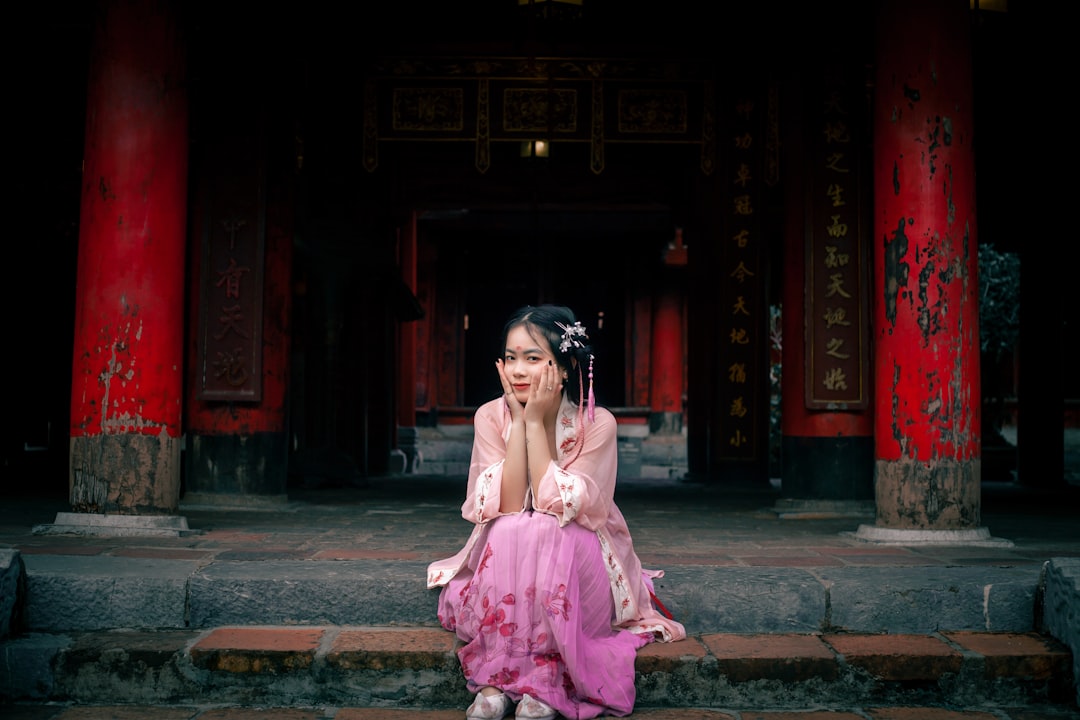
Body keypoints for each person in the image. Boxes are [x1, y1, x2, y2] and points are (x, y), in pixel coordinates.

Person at [427, 304, 686, 720]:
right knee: (513, 527)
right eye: (511, 358)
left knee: (546, 529)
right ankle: (498, 677)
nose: (517, 370)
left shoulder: (597, 422)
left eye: (532, 358)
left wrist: (535, 425)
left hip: (581, 556)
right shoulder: (490, 417)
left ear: (565, 368)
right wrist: (519, 419)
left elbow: (561, 506)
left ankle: (546, 679)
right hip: (510, 553)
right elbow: (506, 505)